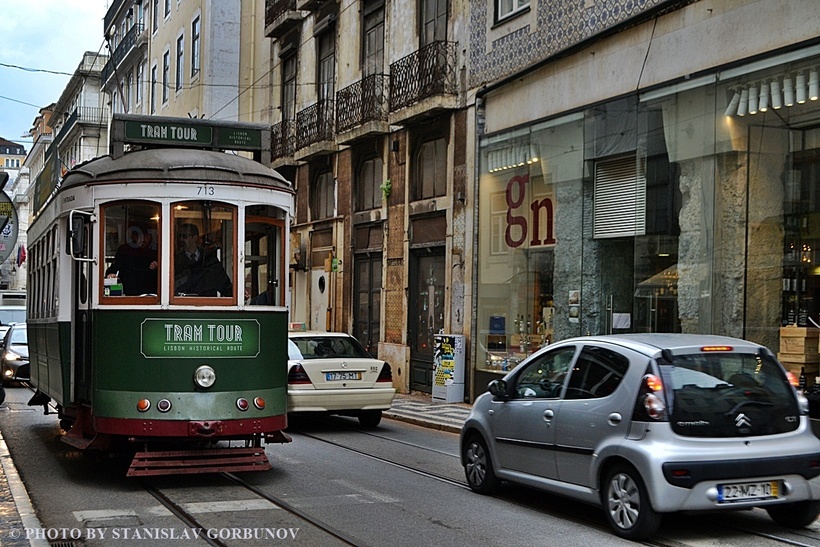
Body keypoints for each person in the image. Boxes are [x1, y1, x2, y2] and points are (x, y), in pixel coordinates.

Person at [174, 223, 232, 297]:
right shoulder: (175, 261)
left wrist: (238, 294)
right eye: (180, 236)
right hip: (183, 306)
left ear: (195, 238)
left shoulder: (210, 259)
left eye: (185, 236)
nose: (181, 239)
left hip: (207, 306)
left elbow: (224, 284)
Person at [105, 228, 158, 296]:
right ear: (134, 237)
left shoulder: (155, 251)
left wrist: (158, 265)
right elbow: (114, 268)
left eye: (147, 236)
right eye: (141, 236)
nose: (144, 240)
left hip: (151, 294)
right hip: (129, 294)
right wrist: (111, 274)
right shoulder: (125, 250)